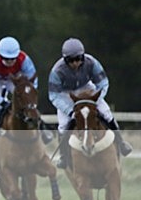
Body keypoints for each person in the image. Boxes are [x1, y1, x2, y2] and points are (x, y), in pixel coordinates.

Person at [48, 37, 133, 169]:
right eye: (71, 60)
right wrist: (70, 111)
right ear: (65, 60)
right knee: (64, 125)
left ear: (83, 57)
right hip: (66, 94)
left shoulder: (92, 62)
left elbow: (103, 83)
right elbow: (54, 95)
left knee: (106, 113)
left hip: (87, 88)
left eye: (78, 59)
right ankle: (63, 156)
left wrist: (94, 100)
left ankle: (121, 143)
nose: (76, 63)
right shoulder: (57, 71)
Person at [0, 36, 39, 144]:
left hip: (14, 78)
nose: (10, 61)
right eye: (6, 59)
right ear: (0, 56)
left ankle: (42, 131)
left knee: (27, 103)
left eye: (13, 58)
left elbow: (33, 80)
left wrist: (30, 94)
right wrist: (1, 101)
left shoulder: (25, 59)